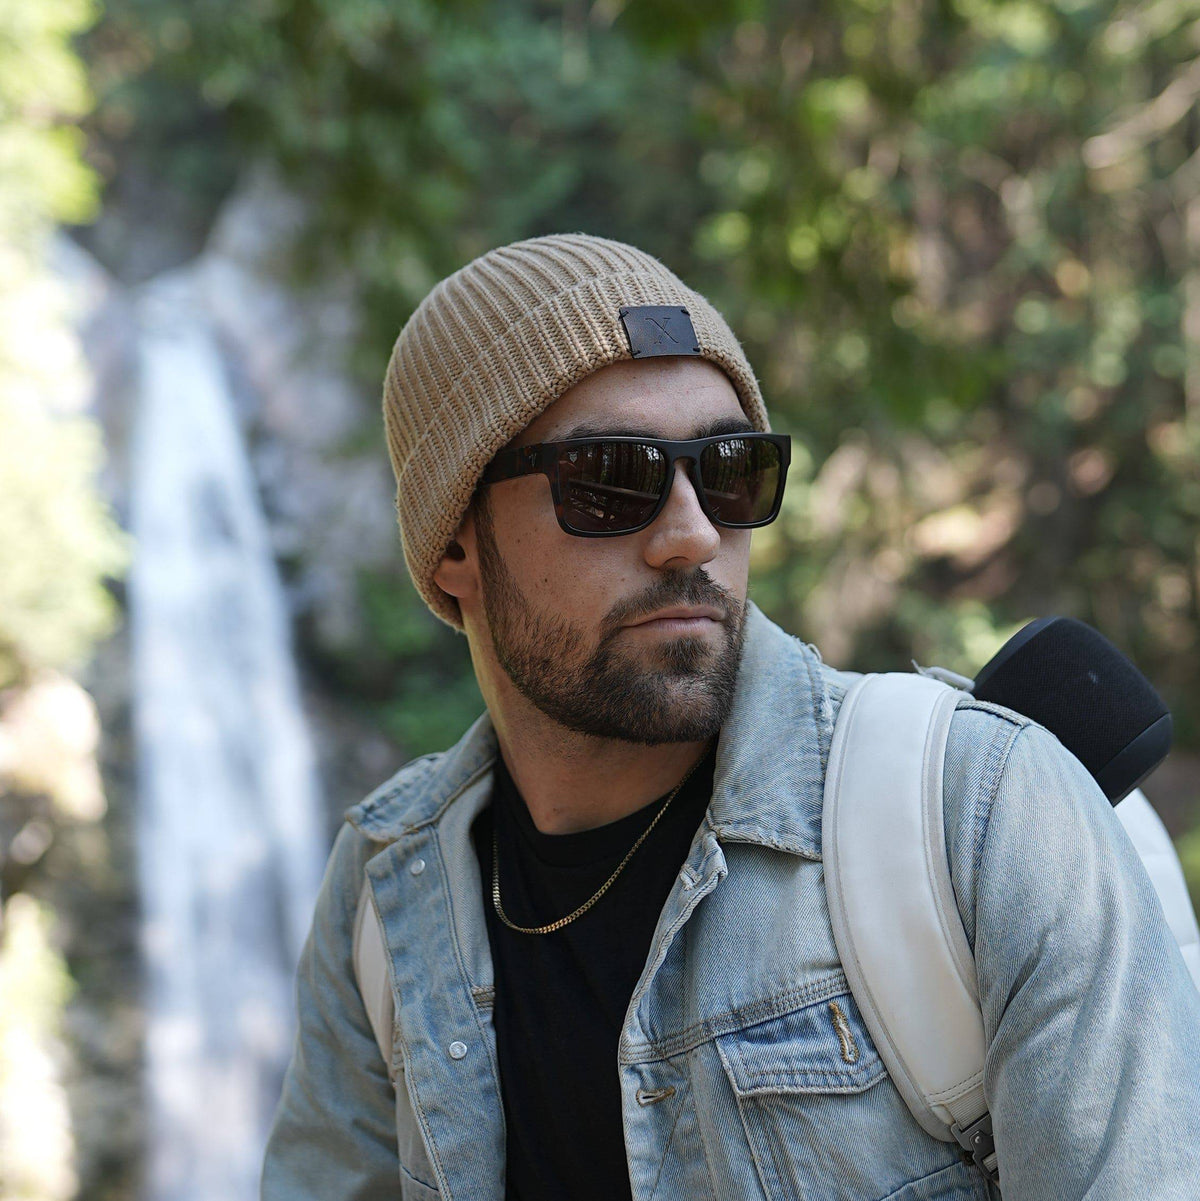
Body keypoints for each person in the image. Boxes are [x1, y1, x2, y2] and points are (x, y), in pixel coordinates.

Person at [260, 234, 1200, 1201]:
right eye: (612, 479)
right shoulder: (385, 885)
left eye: (729, 469)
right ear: (453, 544)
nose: (694, 533)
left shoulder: (981, 812)